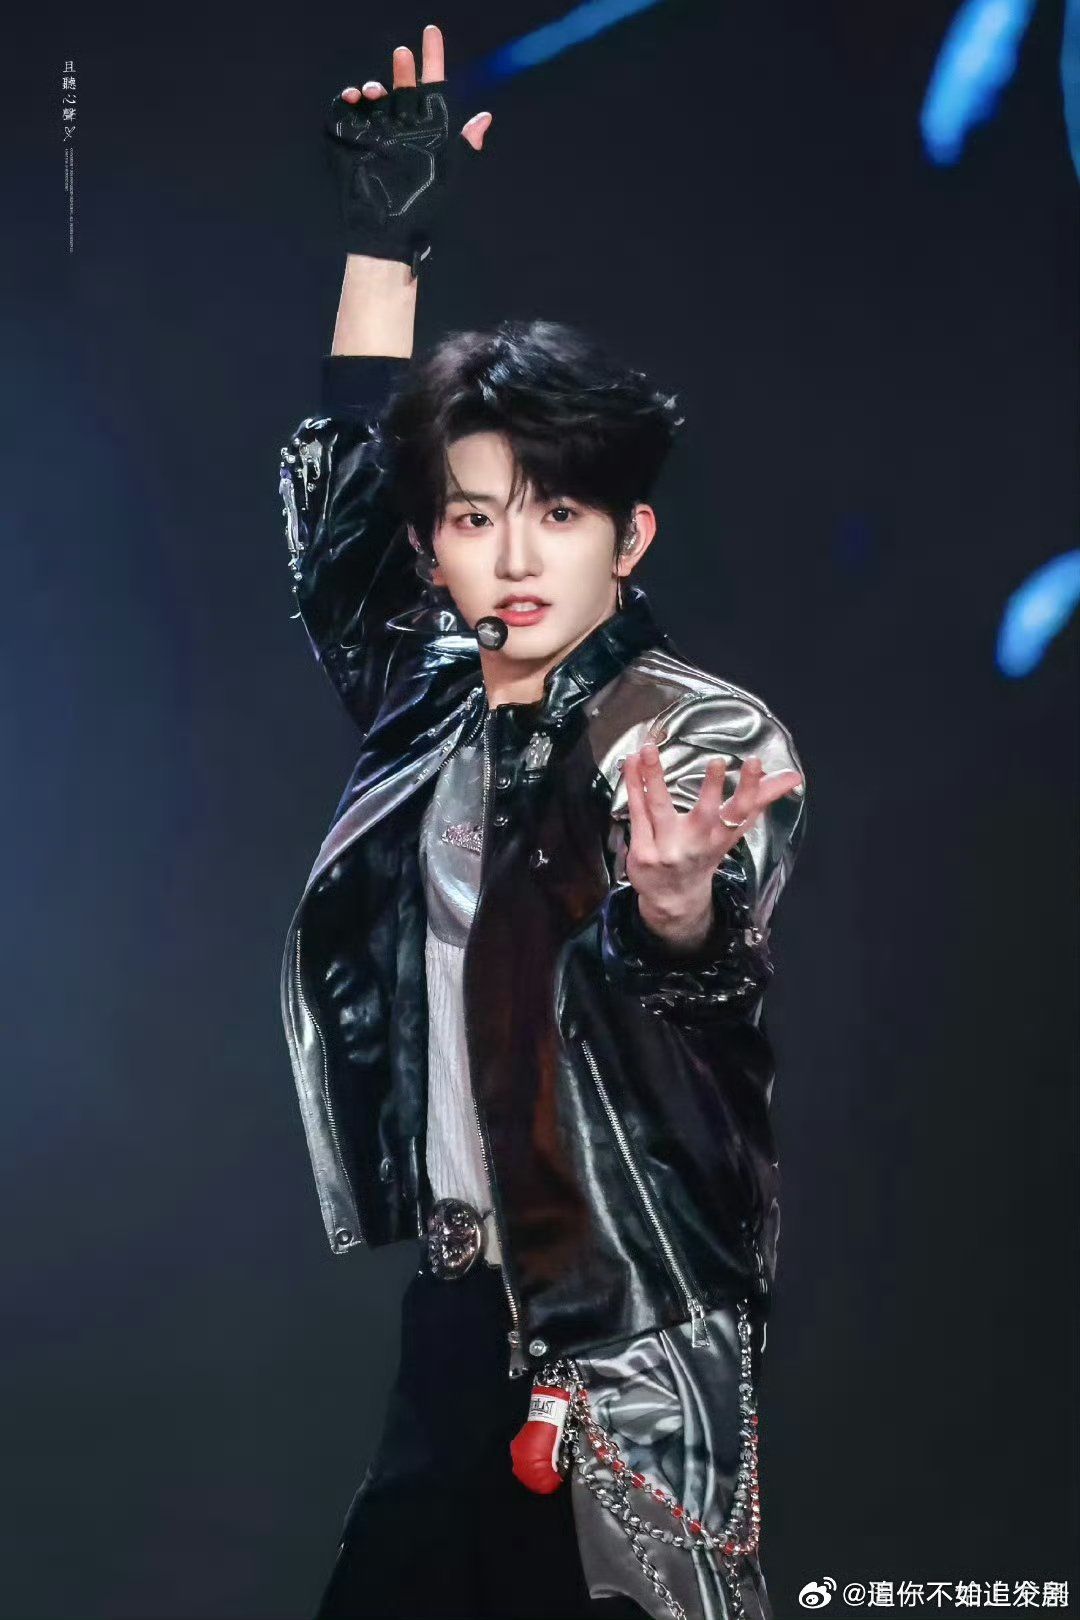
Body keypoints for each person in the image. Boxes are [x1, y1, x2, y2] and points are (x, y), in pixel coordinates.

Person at [277, 24, 808, 1620]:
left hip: (633, 1341)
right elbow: (340, 522)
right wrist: (387, 241)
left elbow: (700, 950)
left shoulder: (694, 730)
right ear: (436, 545)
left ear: (628, 538)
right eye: (474, 515)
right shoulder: (429, 701)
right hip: (455, 1328)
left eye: (558, 514)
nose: (514, 557)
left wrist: (676, 907)